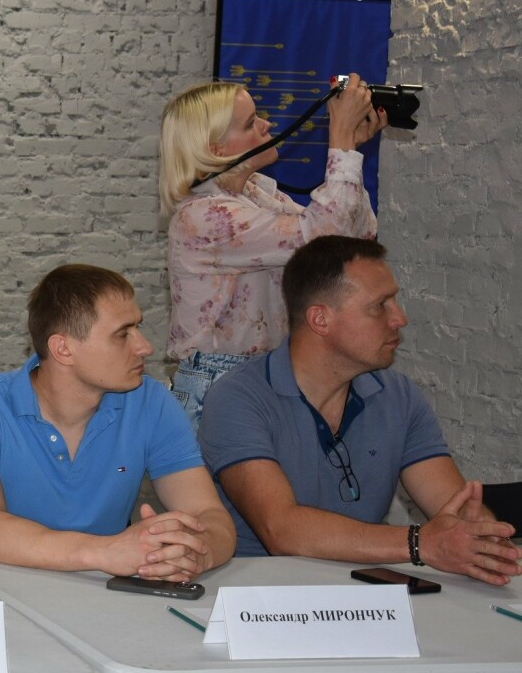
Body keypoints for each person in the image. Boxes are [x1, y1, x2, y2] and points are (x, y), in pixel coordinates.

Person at [199, 236, 520, 584]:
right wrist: (419, 543)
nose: (400, 318)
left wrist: (481, 539)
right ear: (320, 319)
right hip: (259, 597)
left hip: (365, 592)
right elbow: (282, 530)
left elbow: (452, 507)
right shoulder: (238, 398)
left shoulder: (398, 395)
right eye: (380, 305)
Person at [0, 264, 235, 580]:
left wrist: (195, 553)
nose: (145, 347)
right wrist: (105, 552)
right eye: (123, 334)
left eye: (138, 327)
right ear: (63, 349)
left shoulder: (150, 401)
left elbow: (210, 516)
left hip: (96, 594)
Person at [159, 74, 386, 428]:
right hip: (219, 387)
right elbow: (323, 234)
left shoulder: (256, 196)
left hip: (264, 377)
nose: (266, 124)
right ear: (217, 150)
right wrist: (340, 142)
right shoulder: (204, 216)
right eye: (250, 122)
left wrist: (351, 149)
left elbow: (351, 241)